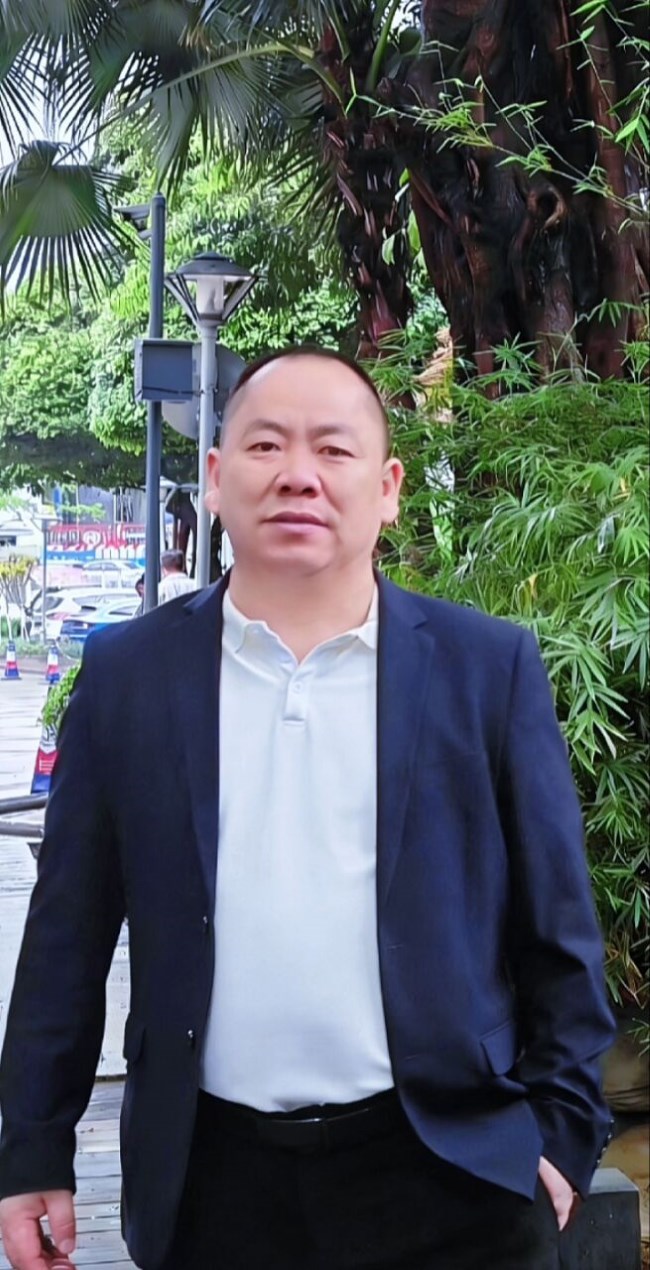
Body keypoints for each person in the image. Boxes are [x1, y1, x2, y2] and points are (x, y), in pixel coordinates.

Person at [0, 346, 614, 1270]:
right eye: (266, 446)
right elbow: (66, 936)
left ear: (388, 487)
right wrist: (33, 1147)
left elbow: (558, 930)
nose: (298, 475)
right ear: (215, 477)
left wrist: (563, 1133)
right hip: (213, 1180)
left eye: (333, 449)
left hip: (452, 1172)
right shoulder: (130, 676)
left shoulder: (486, 670)